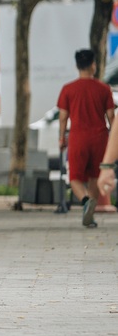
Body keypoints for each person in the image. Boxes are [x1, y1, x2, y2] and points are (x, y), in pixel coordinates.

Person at [57, 48, 114, 228]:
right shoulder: (104, 89)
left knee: (74, 178)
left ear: (77, 66)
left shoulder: (68, 89)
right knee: (95, 177)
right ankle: (90, 211)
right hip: (100, 138)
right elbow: (112, 117)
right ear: (93, 66)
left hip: (78, 137)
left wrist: (61, 138)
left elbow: (63, 117)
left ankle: (85, 201)